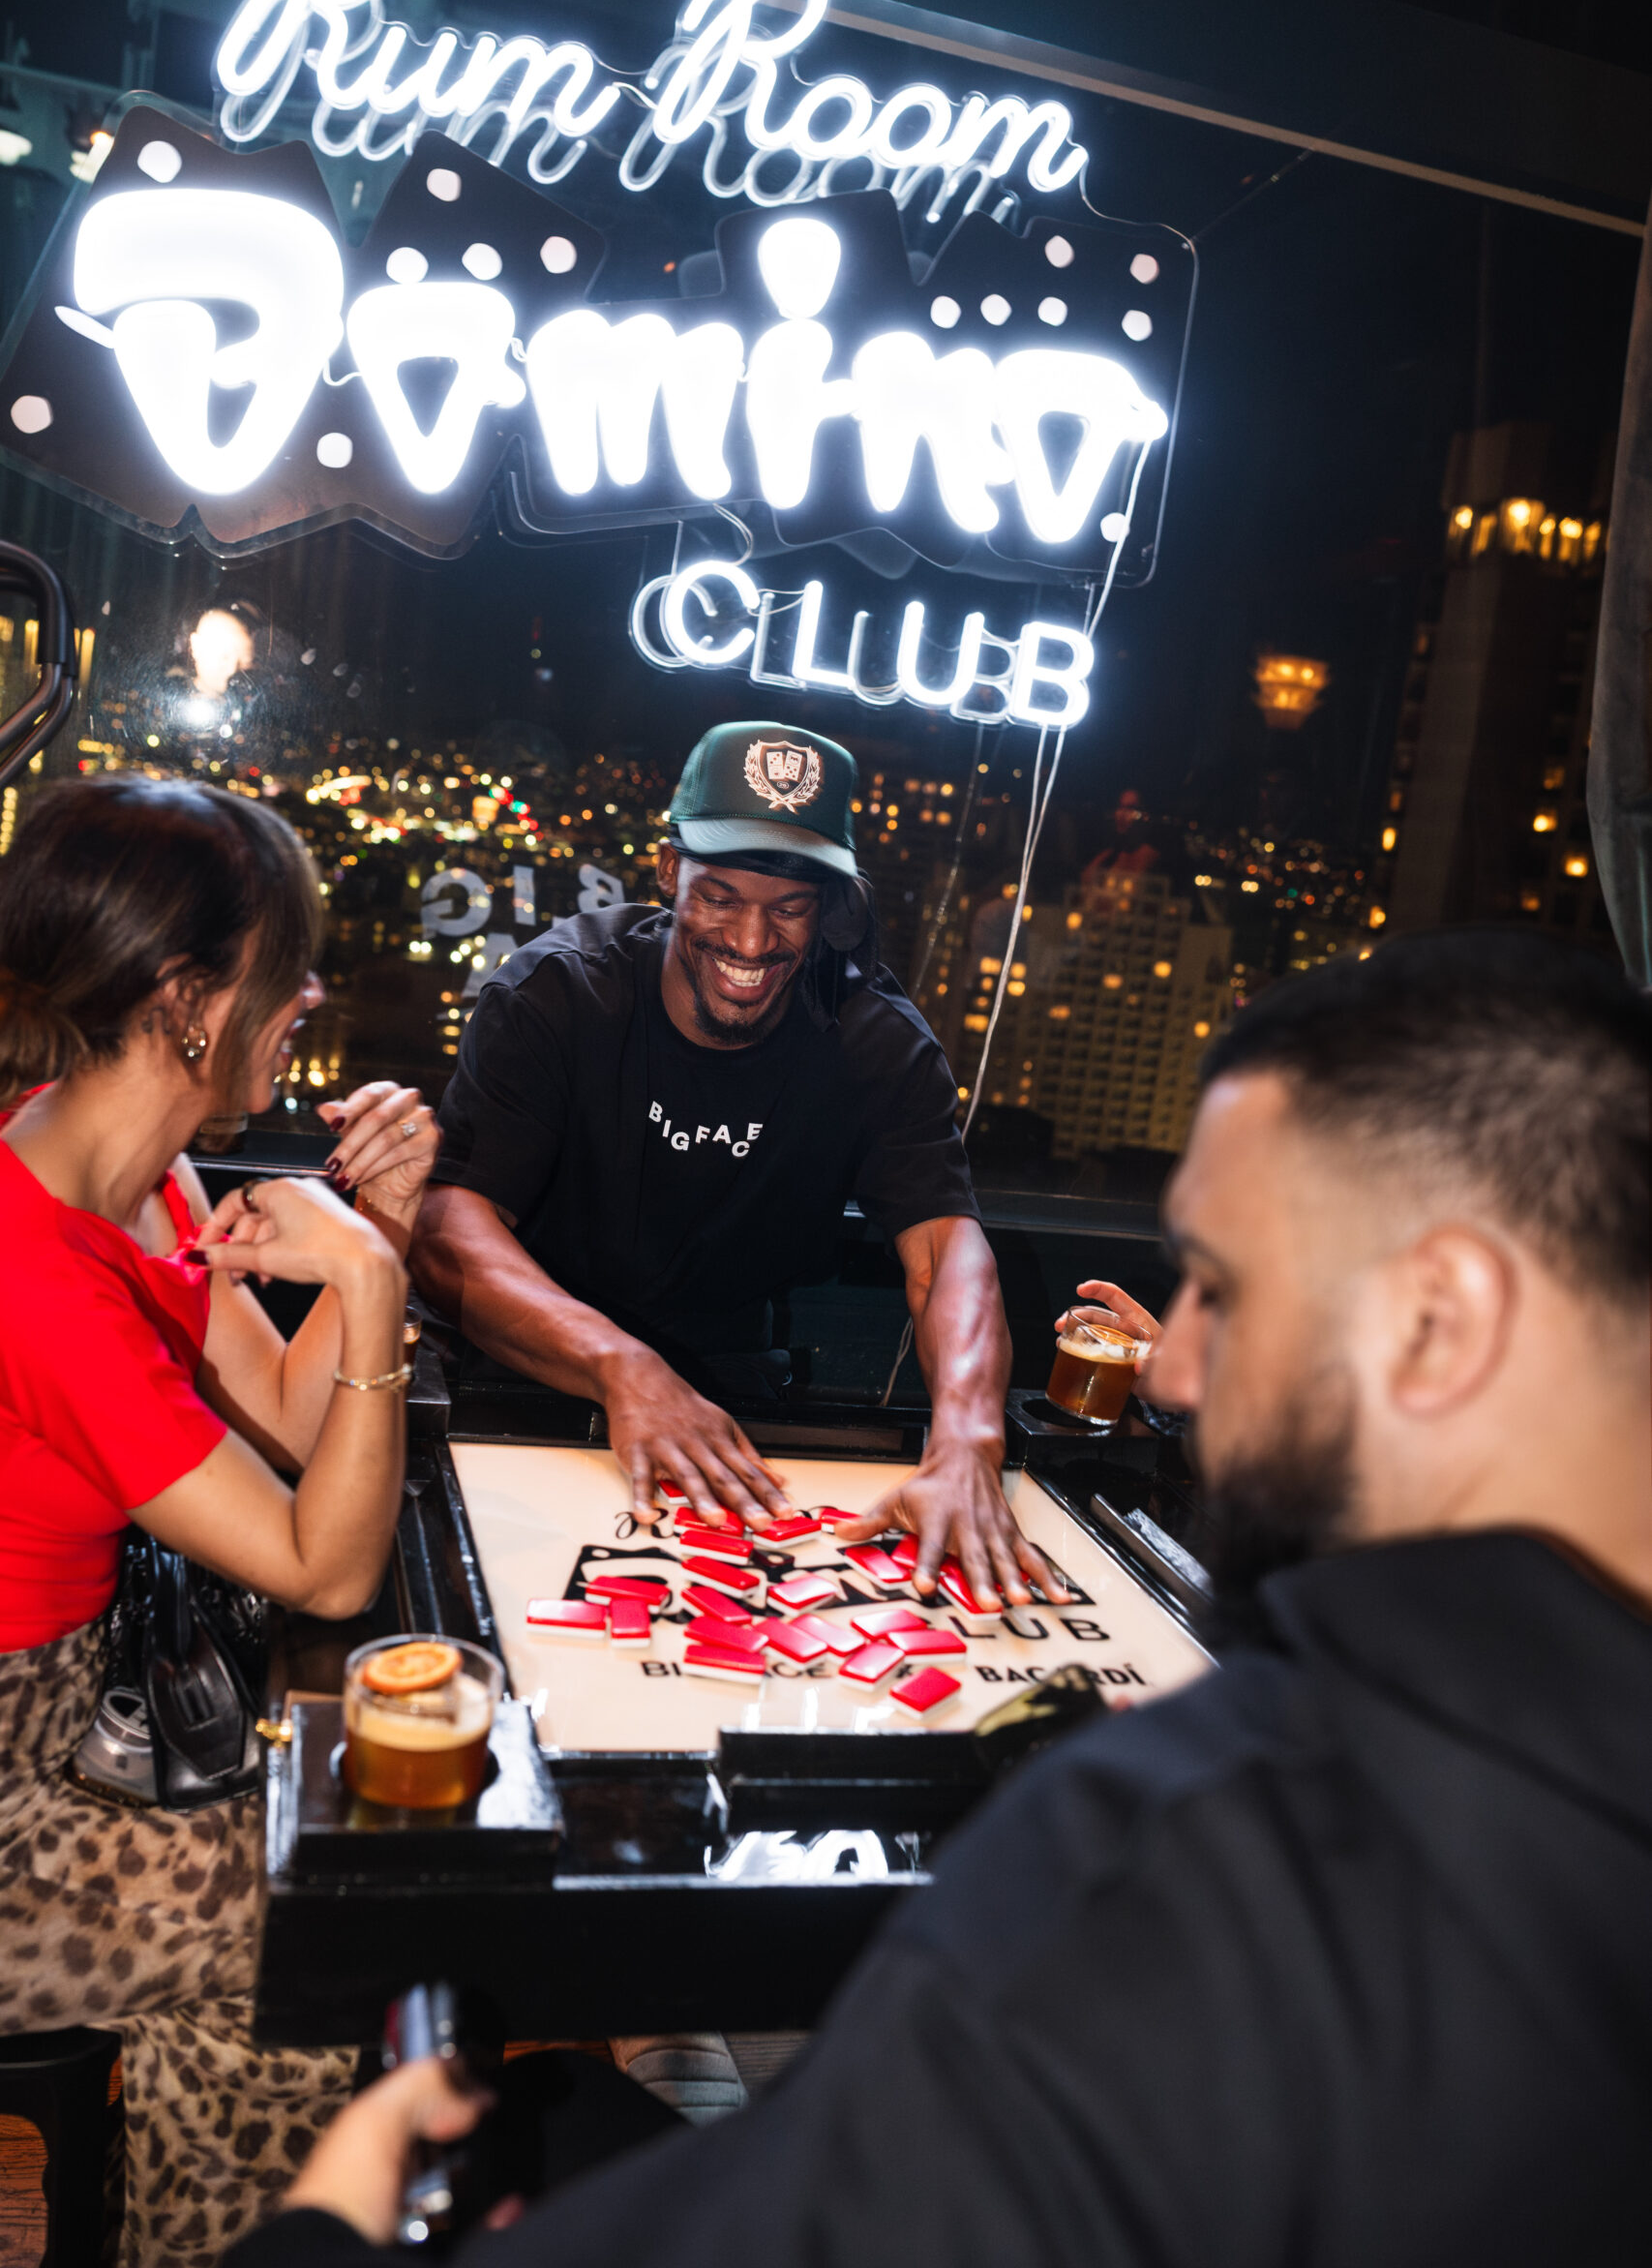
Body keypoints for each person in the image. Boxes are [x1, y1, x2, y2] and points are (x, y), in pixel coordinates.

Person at [235, 928, 1648, 2267]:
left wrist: (323, 2237)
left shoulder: (1182, 1843)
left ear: (1442, 1318)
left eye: (1220, 1289)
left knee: (534, 2127)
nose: (1168, 1366)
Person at [0, 774, 441, 2268]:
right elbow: (330, 1568)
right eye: (283, 968)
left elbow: (293, 1437)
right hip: (10, 1787)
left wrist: (375, 1230)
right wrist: (372, 1284)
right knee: (302, 1920)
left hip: (65, 1726)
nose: (306, 995)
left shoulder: (142, 1176)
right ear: (189, 1003)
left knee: (308, 1873)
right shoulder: (37, 1273)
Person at [413, 721, 1061, 1612]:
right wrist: (621, 1366)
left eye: (788, 908)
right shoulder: (559, 991)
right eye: (719, 898)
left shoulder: (874, 1041)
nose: (752, 943)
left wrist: (967, 1441)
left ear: (827, 907)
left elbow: (947, 1251)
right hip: (514, 1368)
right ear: (668, 872)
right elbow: (447, 1227)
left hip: (726, 1388)